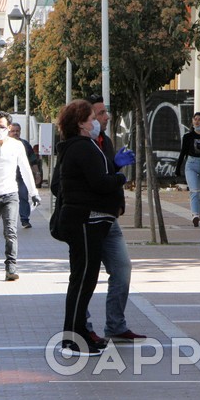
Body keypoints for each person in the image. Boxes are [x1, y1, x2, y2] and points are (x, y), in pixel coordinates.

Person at [52, 99, 126, 357]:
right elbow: (99, 182)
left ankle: (81, 333)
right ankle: (72, 339)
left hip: (88, 221)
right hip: (83, 220)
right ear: (82, 124)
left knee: (86, 279)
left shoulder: (83, 146)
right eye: (92, 118)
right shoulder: (82, 147)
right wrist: (120, 177)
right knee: (82, 280)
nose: (96, 122)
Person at [84, 95, 146, 344]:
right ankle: (83, 325)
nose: (105, 117)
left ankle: (116, 324)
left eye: (105, 113)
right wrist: (114, 168)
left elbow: (106, 171)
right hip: (88, 220)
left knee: (122, 269)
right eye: (99, 114)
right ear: (86, 120)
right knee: (86, 274)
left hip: (109, 219)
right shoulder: (80, 145)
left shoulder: (105, 141)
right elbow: (94, 179)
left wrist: (114, 167)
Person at [0, 111, 41, 281]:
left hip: (11, 194)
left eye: (2, 127)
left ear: (9, 127)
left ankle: (11, 267)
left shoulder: (16, 146)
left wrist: (34, 193)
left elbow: (25, 169)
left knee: (11, 232)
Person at [175, 112, 200, 227]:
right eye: (195, 119)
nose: (196, 121)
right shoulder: (188, 136)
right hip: (191, 165)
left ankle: (199, 216)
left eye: (199, 119)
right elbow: (183, 152)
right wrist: (178, 168)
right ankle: (194, 215)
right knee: (194, 190)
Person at [7, 122, 41, 228]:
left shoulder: (25, 144)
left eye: (17, 131)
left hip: (22, 177)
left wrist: (37, 173)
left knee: (23, 197)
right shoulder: (4, 145)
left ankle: (25, 220)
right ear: (8, 132)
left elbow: (33, 161)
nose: (15, 133)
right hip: (7, 177)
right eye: (13, 131)